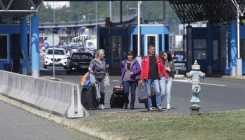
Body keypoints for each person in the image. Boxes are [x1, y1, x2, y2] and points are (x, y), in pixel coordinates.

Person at [139, 45, 168, 112]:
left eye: (153, 49)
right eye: (151, 49)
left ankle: (159, 106)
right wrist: (141, 78)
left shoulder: (157, 58)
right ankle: (150, 107)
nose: (152, 50)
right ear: (148, 50)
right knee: (148, 93)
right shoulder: (145, 58)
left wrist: (166, 76)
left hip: (155, 78)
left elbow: (162, 68)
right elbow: (143, 69)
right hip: (147, 78)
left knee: (158, 92)